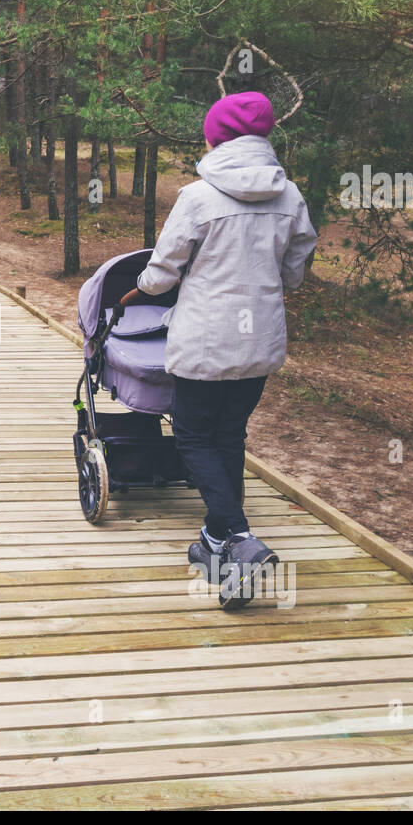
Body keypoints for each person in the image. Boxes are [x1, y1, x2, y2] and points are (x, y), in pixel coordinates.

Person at [121, 91, 317, 607]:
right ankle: (216, 543)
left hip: (207, 341)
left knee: (192, 436)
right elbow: (295, 272)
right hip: (260, 343)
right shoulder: (290, 196)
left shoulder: (198, 197)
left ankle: (237, 533)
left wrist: (141, 282)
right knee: (229, 435)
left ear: (216, 137)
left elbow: (161, 278)